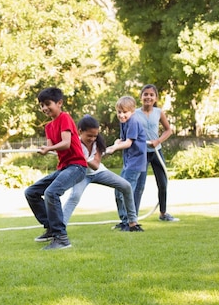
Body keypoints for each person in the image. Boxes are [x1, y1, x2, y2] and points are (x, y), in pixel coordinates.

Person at [24, 87, 87, 250]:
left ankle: (62, 238)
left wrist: (48, 149)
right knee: (31, 192)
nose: (44, 108)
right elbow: (51, 148)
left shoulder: (65, 117)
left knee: (51, 193)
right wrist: (44, 149)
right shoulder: (48, 127)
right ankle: (51, 228)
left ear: (59, 103)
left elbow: (66, 143)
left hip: (77, 166)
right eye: (41, 105)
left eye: (47, 104)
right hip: (64, 168)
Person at [61, 115, 137, 228]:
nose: (92, 138)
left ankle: (133, 223)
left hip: (99, 172)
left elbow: (96, 165)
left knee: (126, 186)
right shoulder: (73, 143)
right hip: (81, 175)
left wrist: (82, 157)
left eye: (94, 136)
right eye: (89, 136)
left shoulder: (98, 143)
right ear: (80, 131)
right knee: (74, 196)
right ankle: (59, 229)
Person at [134, 84, 179, 222]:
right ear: (141, 96)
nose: (148, 97)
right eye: (145, 94)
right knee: (139, 185)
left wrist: (158, 141)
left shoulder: (158, 112)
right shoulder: (134, 114)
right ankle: (133, 217)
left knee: (163, 183)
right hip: (142, 153)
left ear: (155, 98)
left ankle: (163, 213)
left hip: (156, 152)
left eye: (151, 95)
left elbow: (168, 130)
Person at [105, 95, 147, 232]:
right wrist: (116, 143)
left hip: (135, 163)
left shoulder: (134, 121)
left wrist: (115, 148)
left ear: (132, 111)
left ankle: (131, 223)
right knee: (118, 190)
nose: (121, 115)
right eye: (119, 112)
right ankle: (124, 221)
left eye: (125, 112)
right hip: (128, 162)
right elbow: (123, 139)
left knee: (125, 191)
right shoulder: (124, 122)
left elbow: (128, 143)